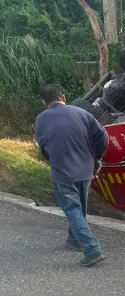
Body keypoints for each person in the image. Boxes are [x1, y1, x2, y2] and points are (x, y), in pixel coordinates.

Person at [35, 84, 109, 267]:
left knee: (73, 210)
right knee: (79, 209)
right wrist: (96, 159)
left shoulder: (42, 119)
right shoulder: (82, 113)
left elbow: (43, 148)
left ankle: (91, 249)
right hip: (85, 171)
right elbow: (103, 138)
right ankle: (74, 240)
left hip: (62, 172)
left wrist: (53, 159)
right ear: (64, 97)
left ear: (45, 102)